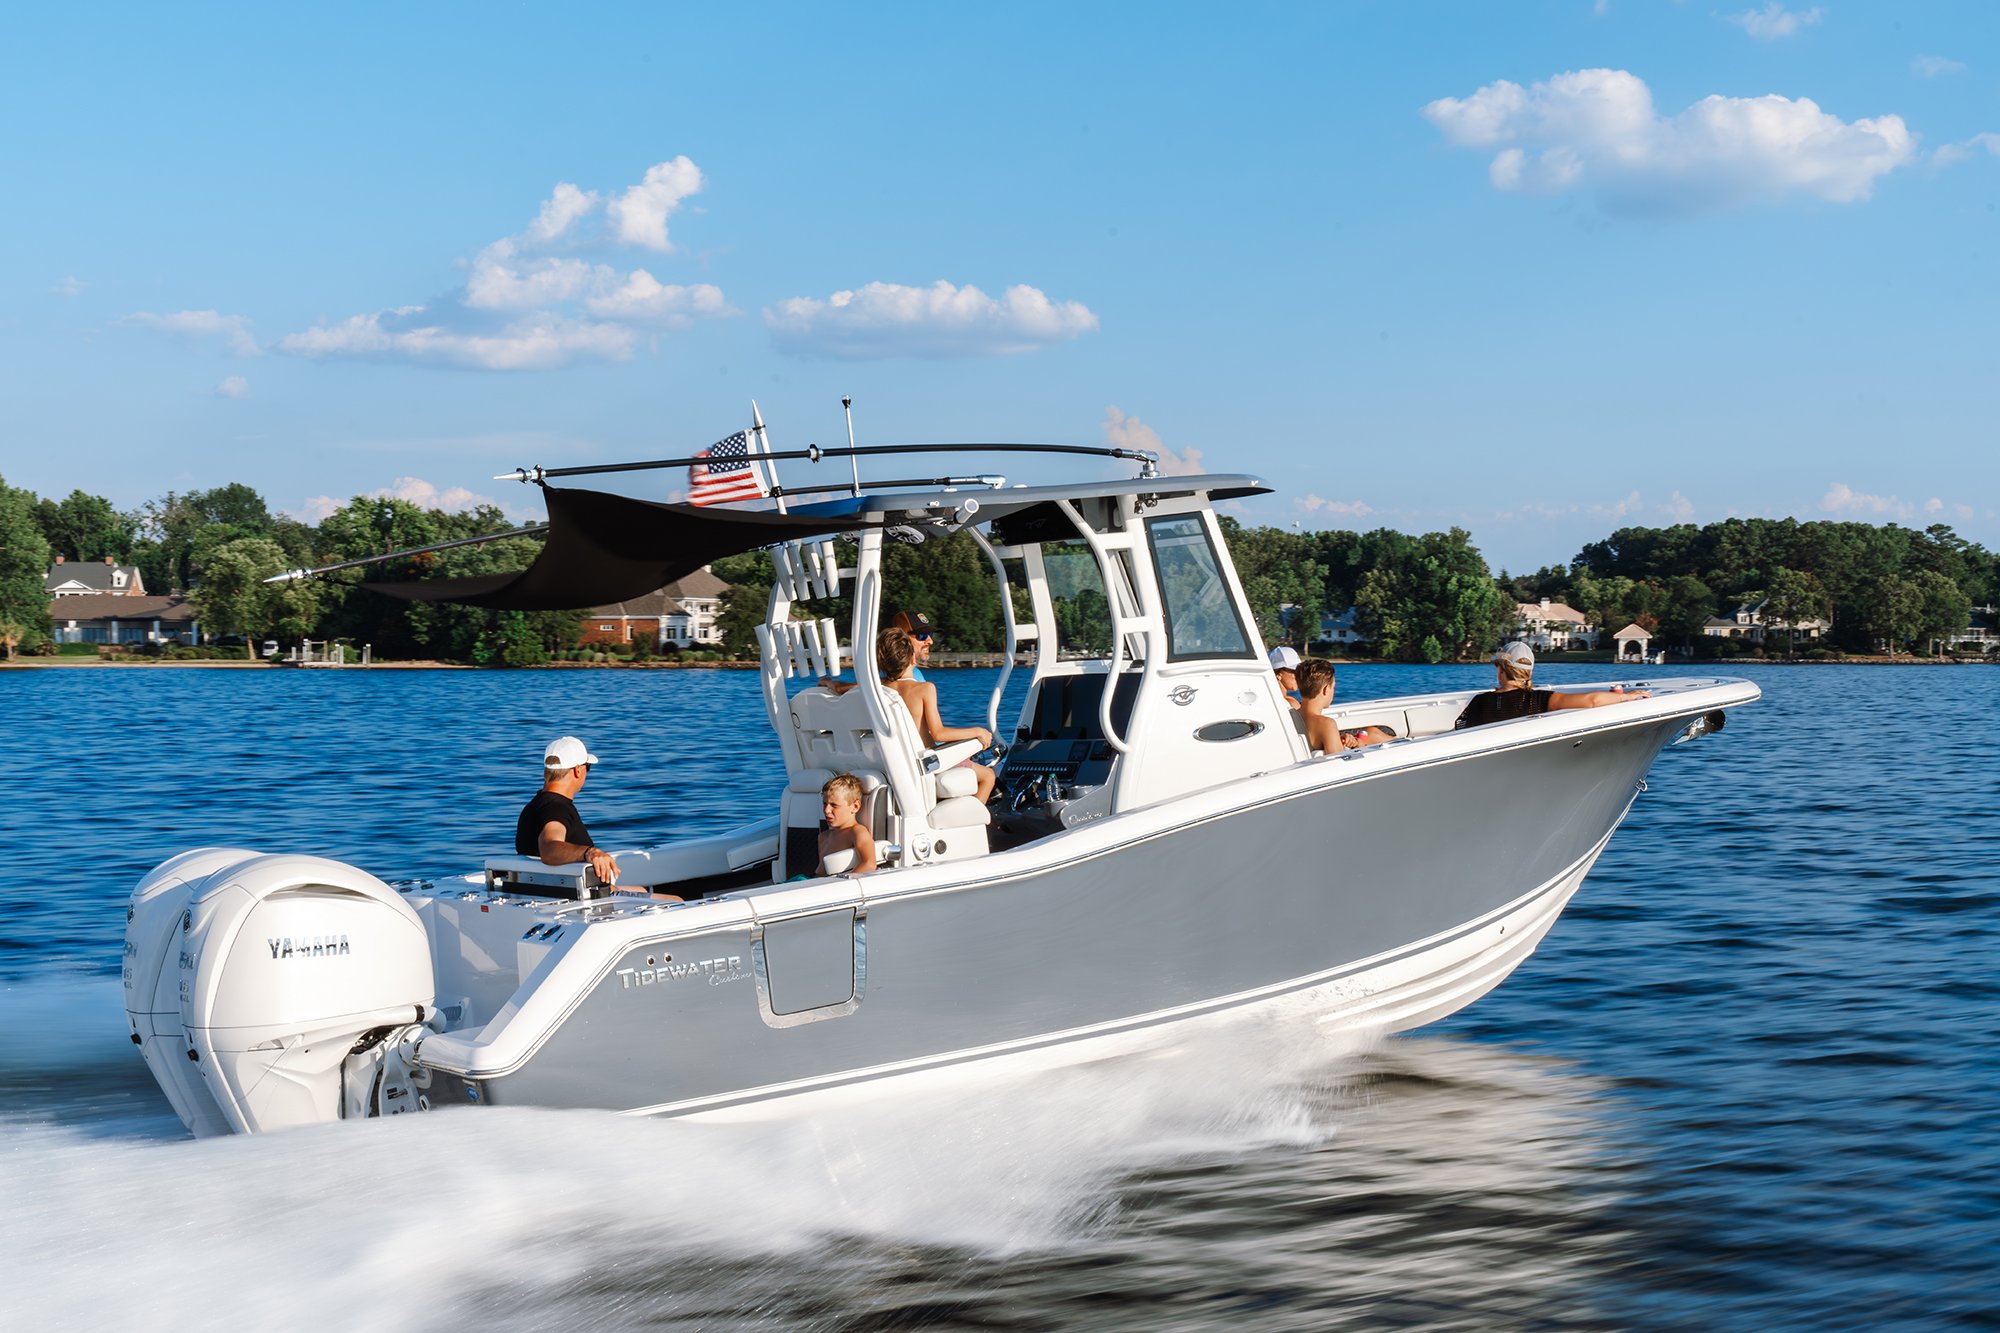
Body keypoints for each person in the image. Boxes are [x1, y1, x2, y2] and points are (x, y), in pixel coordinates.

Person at [516, 736, 679, 899]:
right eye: (588, 767)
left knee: (642, 890)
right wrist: (589, 853)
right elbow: (548, 848)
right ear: (577, 770)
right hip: (587, 899)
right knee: (677, 900)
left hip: (551, 894)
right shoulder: (557, 809)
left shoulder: (534, 806)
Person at [879, 626, 997, 802]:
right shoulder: (924, 689)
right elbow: (939, 733)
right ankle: (973, 816)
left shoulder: (879, 689)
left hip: (898, 762)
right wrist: (978, 731)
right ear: (912, 657)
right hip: (928, 761)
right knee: (988, 776)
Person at [1455, 642, 1651, 729]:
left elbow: (1461, 731)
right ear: (1529, 672)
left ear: (1500, 670)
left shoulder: (1480, 702)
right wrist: (1627, 696)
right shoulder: (1538, 700)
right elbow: (1593, 701)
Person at [816, 773, 878, 877]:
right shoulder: (823, 836)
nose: (826, 810)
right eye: (825, 804)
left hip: (833, 883)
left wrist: (841, 882)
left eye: (834, 805)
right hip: (812, 880)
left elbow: (869, 864)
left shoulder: (857, 832)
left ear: (855, 807)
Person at [1294, 657, 1342, 754]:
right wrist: (1360, 744)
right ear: (1326, 689)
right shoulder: (1326, 724)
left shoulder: (1291, 717)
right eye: (1333, 687)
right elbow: (1339, 760)